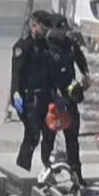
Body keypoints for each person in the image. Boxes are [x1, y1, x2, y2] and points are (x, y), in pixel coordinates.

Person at [42, 25, 89, 184]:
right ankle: (47, 168)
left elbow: (80, 59)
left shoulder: (70, 44)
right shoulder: (45, 47)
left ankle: (77, 173)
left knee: (72, 137)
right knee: (49, 136)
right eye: (60, 30)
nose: (64, 34)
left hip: (69, 95)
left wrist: (85, 74)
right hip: (51, 97)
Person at [11, 10, 57, 172]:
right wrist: (16, 94)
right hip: (30, 99)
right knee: (32, 136)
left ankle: (47, 168)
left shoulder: (45, 45)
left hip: (46, 97)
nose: (45, 33)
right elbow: (16, 72)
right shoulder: (24, 45)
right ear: (35, 25)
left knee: (50, 134)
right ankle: (22, 171)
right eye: (43, 29)